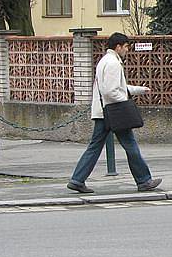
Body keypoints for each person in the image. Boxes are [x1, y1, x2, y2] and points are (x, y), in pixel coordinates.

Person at [67, 32, 162, 194]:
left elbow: (115, 88)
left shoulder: (105, 61)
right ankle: (144, 180)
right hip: (114, 112)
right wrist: (126, 102)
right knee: (130, 145)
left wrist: (138, 90)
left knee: (95, 147)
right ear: (118, 47)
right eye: (125, 47)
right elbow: (111, 91)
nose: (127, 50)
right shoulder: (113, 63)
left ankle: (77, 179)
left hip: (103, 112)